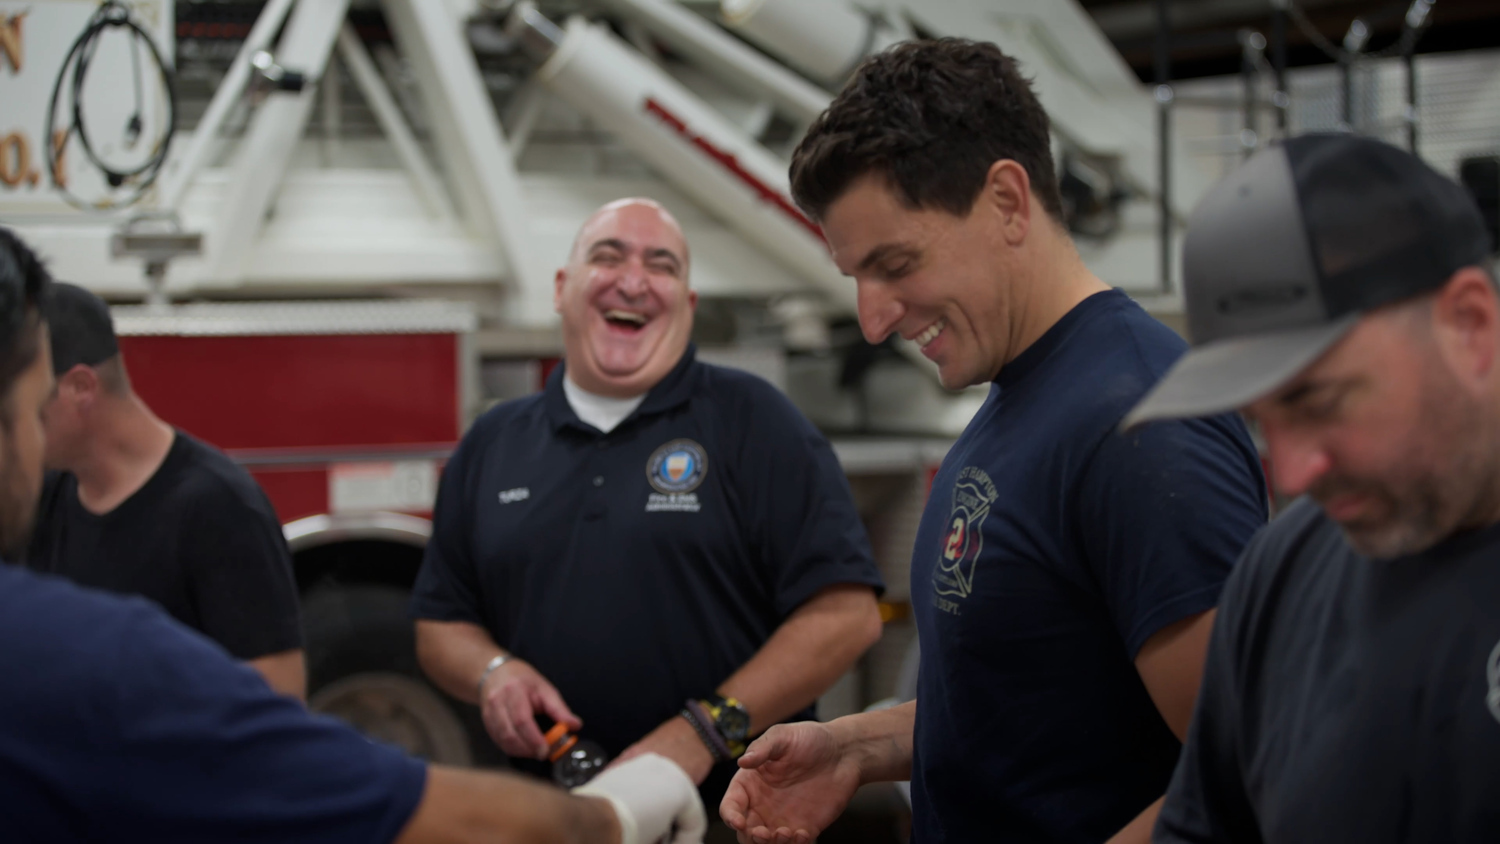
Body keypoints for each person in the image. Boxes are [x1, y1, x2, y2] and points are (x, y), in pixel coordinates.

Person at [720, 39, 1269, 844]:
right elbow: (1035, 698)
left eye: (895, 263)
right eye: (855, 280)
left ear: (1007, 201)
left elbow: (1244, 770)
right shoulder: (1023, 392)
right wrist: (853, 747)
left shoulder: (1142, 428)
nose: (872, 320)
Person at [0, 225, 707, 844]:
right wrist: (612, 816)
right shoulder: (91, 656)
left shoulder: (198, 516)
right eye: (30, 411)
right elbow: (346, 790)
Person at [408, 197, 885, 811]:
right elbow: (440, 624)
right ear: (561, 287)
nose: (633, 281)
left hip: (733, 816)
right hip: (554, 817)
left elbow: (846, 617)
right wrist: (493, 670)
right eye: (608, 257)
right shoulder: (493, 441)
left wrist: (704, 733)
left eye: (661, 265)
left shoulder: (756, 421)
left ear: (686, 305)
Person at [1122, 135, 1500, 842]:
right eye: (1261, 420)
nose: (1293, 475)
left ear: (1469, 325)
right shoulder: (1281, 573)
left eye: (1320, 401)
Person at [22, 282, 306, 699]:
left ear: (80, 389)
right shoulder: (44, 498)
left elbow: (277, 697)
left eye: (15, 399)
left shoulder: (219, 509)